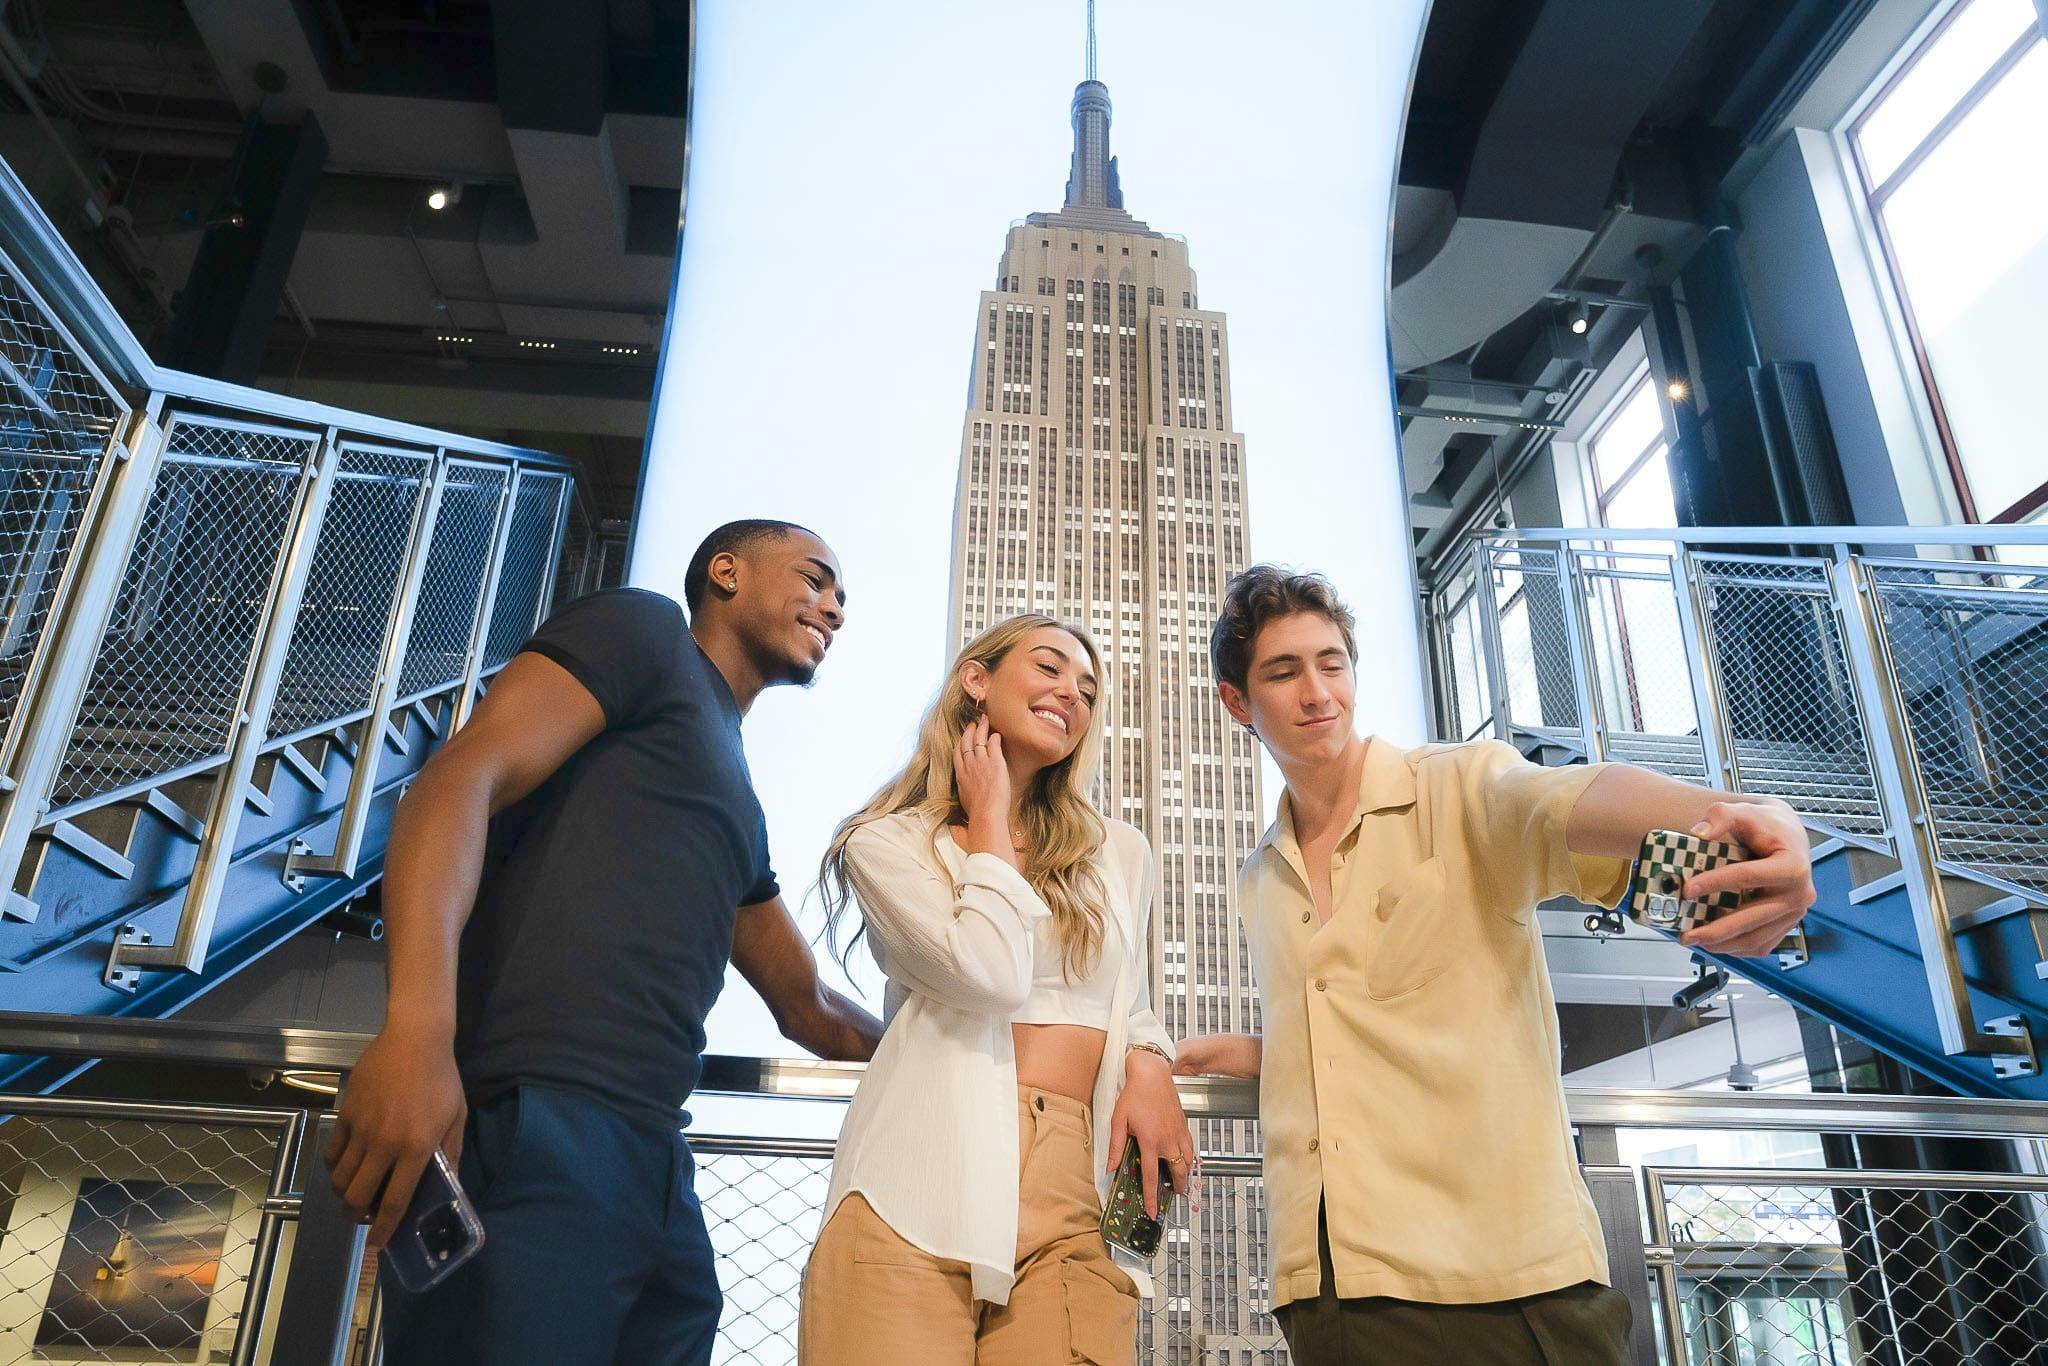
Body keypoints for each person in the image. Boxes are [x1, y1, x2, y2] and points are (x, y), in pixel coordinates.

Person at [1175, 566, 1817, 1365]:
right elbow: (1364, 1023)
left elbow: (1568, 800)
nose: (1318, 691)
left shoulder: (1458, 787)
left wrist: (1749, 818)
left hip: (1508, 1280)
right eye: (1284, 671)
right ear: (1239, 702)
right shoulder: (1260, 879)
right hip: (1333, 1292)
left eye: (1332, 662)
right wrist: (1268, 1059)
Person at [328, 519, 884, 1366]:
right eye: (816, 579)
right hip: (537, 1121)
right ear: (726, 573)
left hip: (659, 1161)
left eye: (842, 597)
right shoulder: (646, 632)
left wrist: (989, 1064)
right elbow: (459, 779)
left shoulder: (735, 797)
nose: (834, 608)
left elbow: (807, 1005)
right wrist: (416, 1033)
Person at [797, 615, 1193, 1366]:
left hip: (1074, 1188)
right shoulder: (887, 844)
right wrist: (987, 813)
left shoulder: (1120, 853)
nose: (1070, 695)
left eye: (1086, 688)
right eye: (1048, 669)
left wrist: (1150, 1058)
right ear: (976, 680)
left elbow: (1125, 1001)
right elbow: (992, 972)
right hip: (915, 1176)